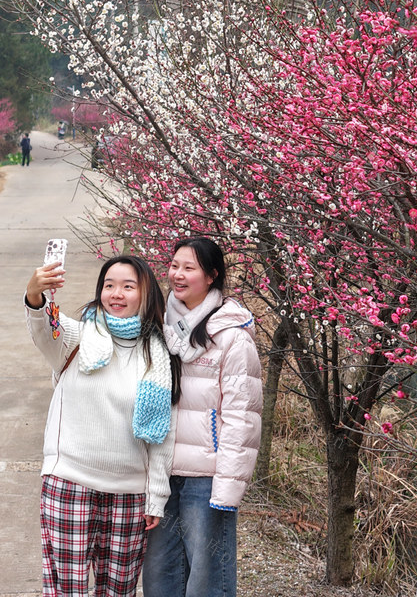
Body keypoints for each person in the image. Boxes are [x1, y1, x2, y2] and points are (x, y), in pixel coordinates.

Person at [25, 255, 180, 597]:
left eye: (128, 286)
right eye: (109, 285)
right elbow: (44, 329)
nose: (116, 294)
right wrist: (35, 295)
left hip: (130, 496)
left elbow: (162, 435)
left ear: (146, 293)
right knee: (68, 590)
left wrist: (156, 497)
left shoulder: (159, 355)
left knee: (120, 591)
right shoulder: (77, 337)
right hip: (70, 484)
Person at [143, 237, 263, 597]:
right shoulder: (159, 324)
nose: (177, 275)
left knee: (207, 578)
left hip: (205, 479)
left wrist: (227, 489)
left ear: (211, 276)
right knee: (160, 574)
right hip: (162, 472)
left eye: (189, 268)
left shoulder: (231, 337)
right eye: (174, 266)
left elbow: (243, 418)